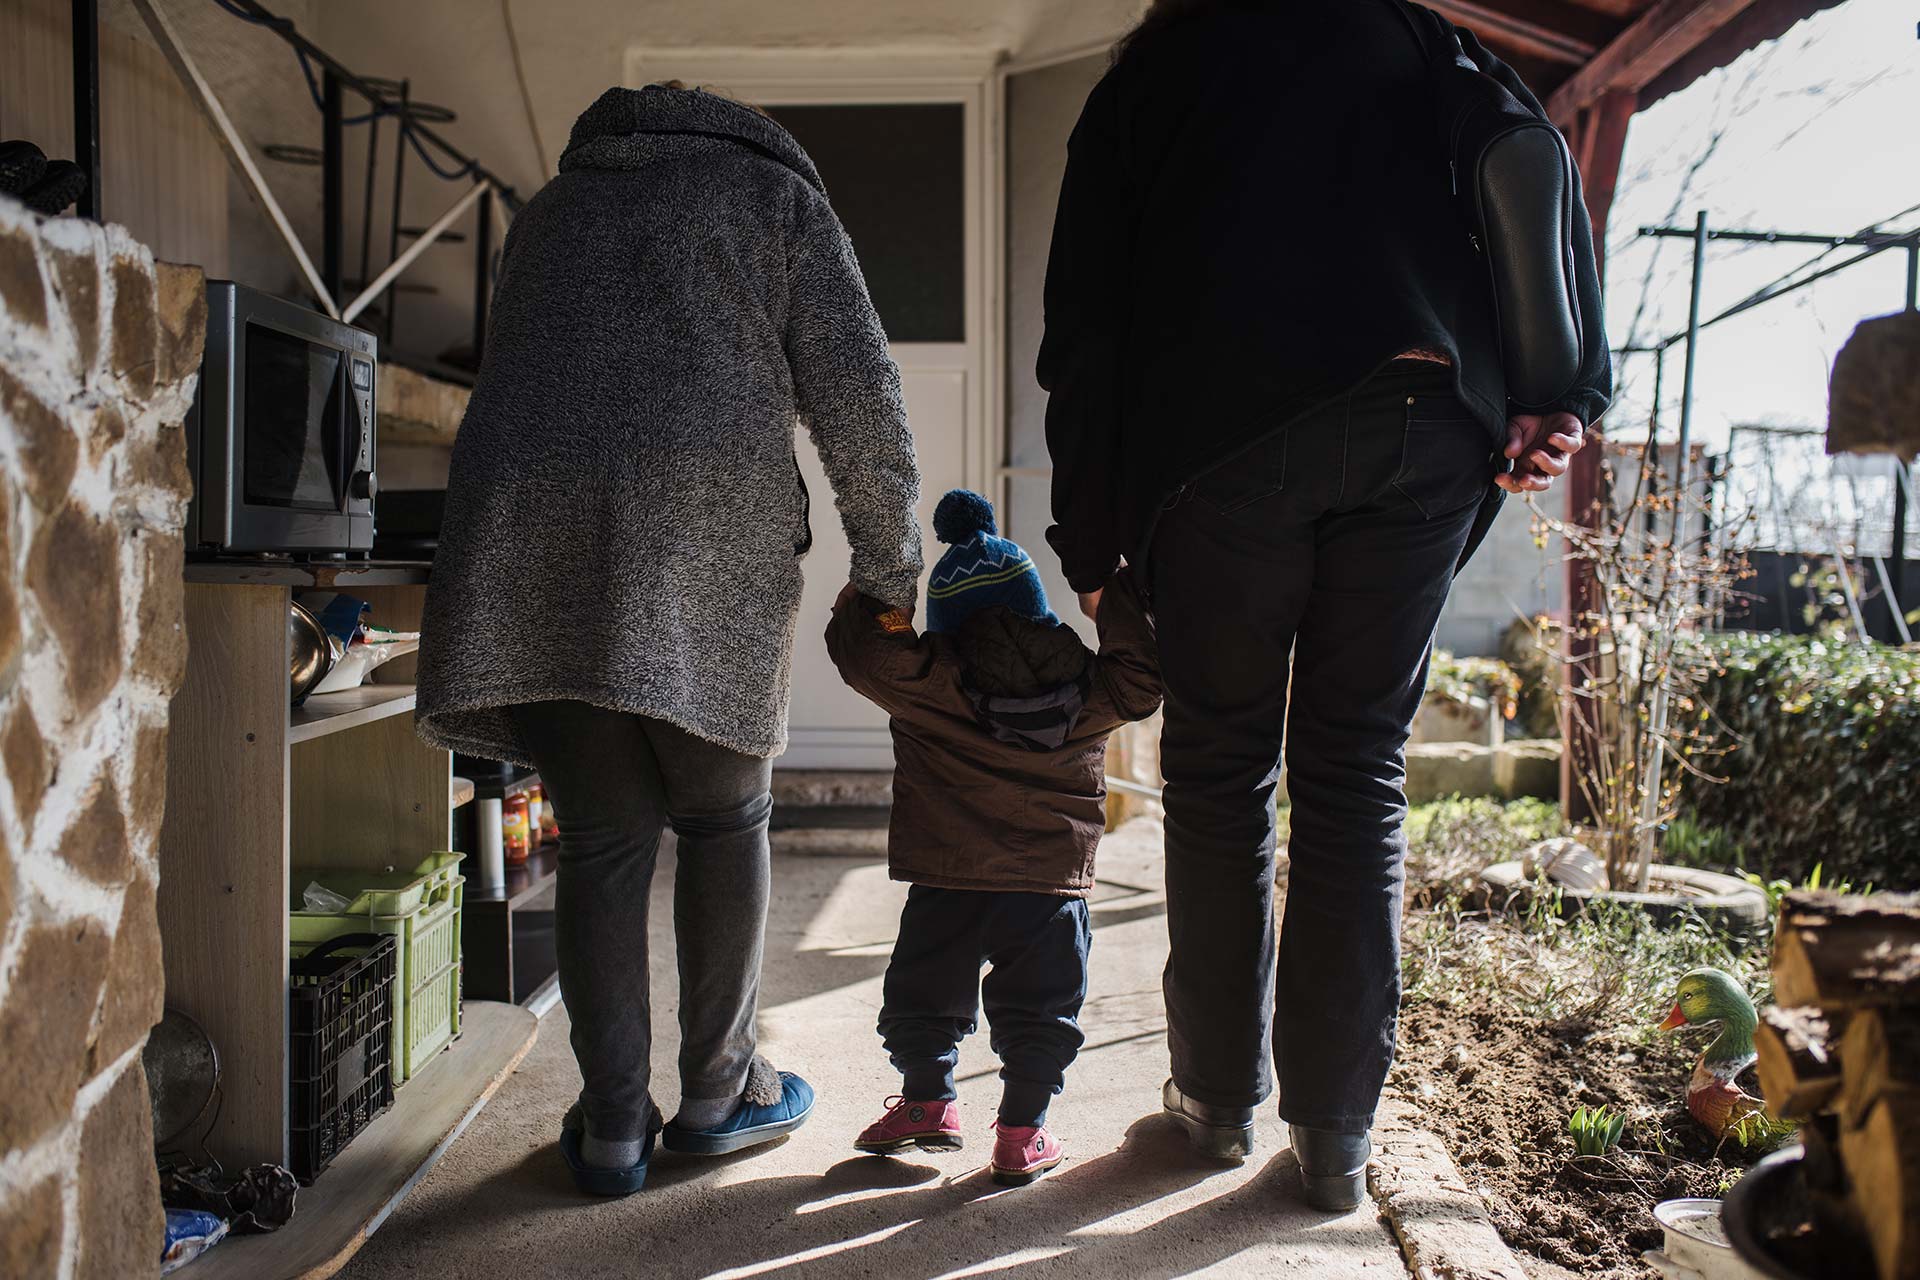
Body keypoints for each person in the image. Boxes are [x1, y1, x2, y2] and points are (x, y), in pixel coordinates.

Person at [1038, 0, 1610, 1211]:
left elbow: (1084, 327)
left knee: (1219, 762)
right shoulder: (1423, 39)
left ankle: (1211, 1104)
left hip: (1225, 446)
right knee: (1356, 770)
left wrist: (1090, 537)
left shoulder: (1160, 72)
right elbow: (1536, 188)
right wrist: (1556, 387)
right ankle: (1336, 1136)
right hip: (1426, 424)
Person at [415, 82, 923, 1197]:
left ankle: (609, 1129)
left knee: (601, 839)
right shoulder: (774, 195)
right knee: (724, 811)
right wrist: (890, 571)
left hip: (532, 539)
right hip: (706, 533)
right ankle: (718, 1094)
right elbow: (862, 395)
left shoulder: (553, 208)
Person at [825, 490, 1162, 1187]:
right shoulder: (1090, 687)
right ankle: (1021, 1133)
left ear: (948, 623)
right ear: (1035, 605)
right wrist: (1115, 587)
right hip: (1048, 884)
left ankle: (925, 1102)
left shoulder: (928, 677)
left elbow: (868, 651)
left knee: (923, 991)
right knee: (1043, 1006)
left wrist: (887, 595)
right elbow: (1142, 676)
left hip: (947, 877)